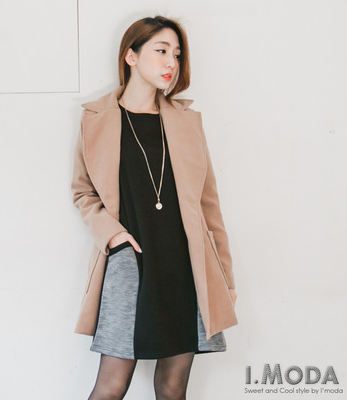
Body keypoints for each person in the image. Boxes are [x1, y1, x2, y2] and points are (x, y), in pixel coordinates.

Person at [71, 15, 238, 400]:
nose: (171, 63)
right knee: (110, 386)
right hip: (129, 262)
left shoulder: (186, 122)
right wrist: (113, 236)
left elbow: (209, 205)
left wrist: (225, 279)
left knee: (172, 387)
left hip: (186, 265)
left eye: (176, 55)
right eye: (161, 51)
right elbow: (82, 192)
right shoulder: (96, 119)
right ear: (130, 56)